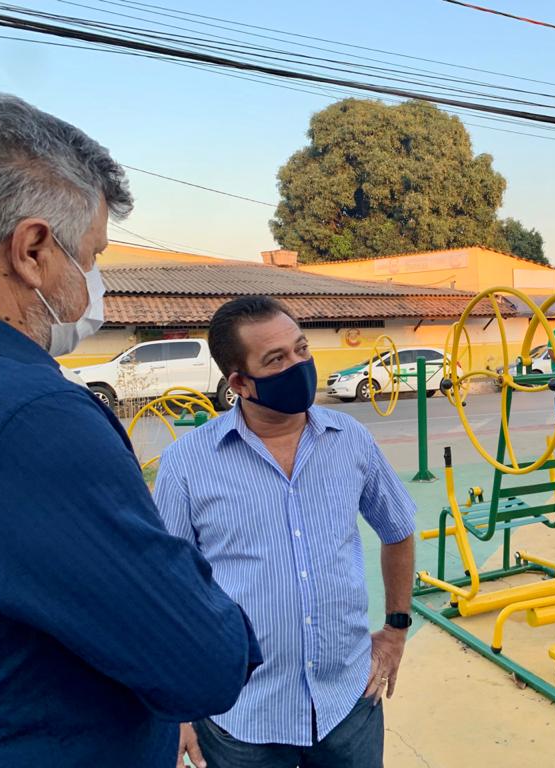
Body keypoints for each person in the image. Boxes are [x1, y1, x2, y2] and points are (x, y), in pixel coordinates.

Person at [0, 92, 261, 767]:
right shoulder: (32, 421)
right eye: (92, 255)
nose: (95, 283)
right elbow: (201, 661)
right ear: (33, 250)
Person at [154, 296, 417, 768]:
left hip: (348, 701)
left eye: (301, 349)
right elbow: (167, 590)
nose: (297, 365)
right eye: (276, 359)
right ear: (239, 383)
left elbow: (397, 529)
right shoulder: (187, 464)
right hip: (241, 716)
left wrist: (396, 630)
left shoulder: (350, 440)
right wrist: (177, 709)